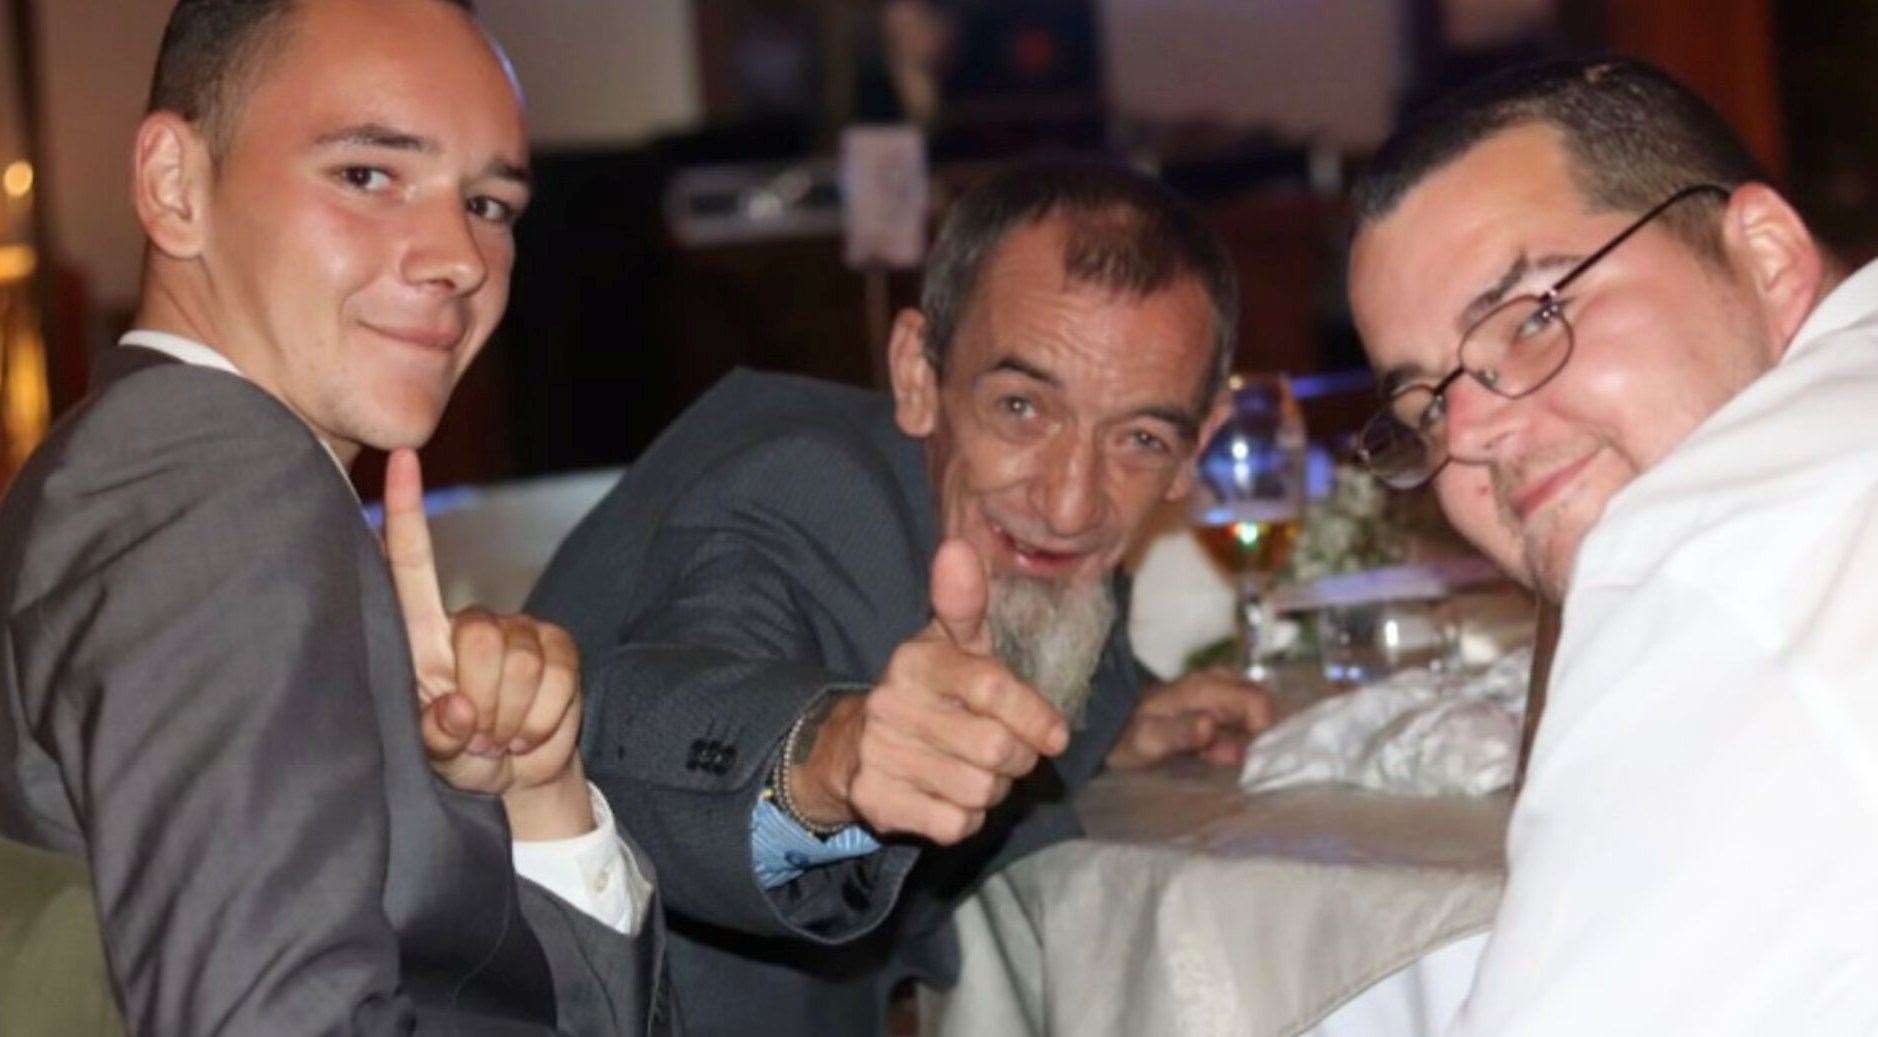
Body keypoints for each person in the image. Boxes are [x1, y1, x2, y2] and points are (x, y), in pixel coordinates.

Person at [0, 0, 667, 1031]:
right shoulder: (213, 487)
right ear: (175, 186)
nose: (458, 255)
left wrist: (536, 802)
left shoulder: (161, 469)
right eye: (368, 175)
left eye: (490, 202)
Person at [528, 160, 1276, 1033]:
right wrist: (824, 759)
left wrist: (1124, 714)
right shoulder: (792, 489)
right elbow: (630, 718)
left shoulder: (1028, 527)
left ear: (1196, 451)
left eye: (1141, 436)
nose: (1072, 499)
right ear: (919, 375)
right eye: (1022, 408)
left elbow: (1053, 638)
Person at [1345, 56, 1878, 1033]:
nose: (1465, 436)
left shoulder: (1715, 557)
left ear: (1765, 255)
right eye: (1422, 404)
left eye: (1533, 314)